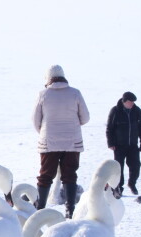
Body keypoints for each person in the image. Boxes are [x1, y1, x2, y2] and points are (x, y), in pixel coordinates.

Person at [33, 65, 90, 218]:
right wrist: (72, 126)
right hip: (72, 142)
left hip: (49, 142)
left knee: (45, 175)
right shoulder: (75, 93)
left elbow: (35, 120)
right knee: (70, 174)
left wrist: (46, 132)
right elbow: (85, 117)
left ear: (48, 78)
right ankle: (70, 209)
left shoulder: (43, 94)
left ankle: (40, 210)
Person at [106, 91, 141, 195]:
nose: (132, 103)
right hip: (119, 146)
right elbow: (109, 128)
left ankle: (132, 184)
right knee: (119, 167)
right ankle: (119, 187)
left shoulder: (137, 111)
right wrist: (110, 143)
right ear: (124, 101)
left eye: (133, 102)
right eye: (130, 101)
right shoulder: (115, 111)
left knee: (136, 166)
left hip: (133, 145)